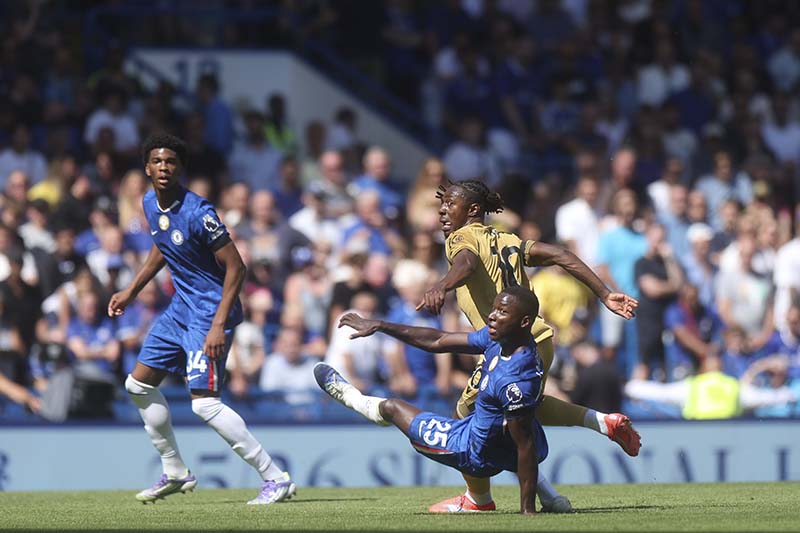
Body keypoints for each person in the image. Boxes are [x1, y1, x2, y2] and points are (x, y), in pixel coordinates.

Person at [417, 179, 641, 513]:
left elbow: (466, 263)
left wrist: (442, 285)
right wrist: (604, 293)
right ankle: (601, 424)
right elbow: (561, 255)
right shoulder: (509, 239)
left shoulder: (460, 238)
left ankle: (478, 499)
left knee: (465, 415)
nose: (443, 211)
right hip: (540, 339)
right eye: (442, 205)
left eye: (451, 204)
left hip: (507, 347)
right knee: (522, 409)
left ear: (473, 210)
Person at [107, 133, 295, 505]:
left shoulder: (198, 212)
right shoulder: (149, 202)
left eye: (171, 162)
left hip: (209, 311)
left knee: (204, 403)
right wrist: (132, 290)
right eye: (157, 161)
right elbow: (162, 247)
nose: (164, 167)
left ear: (181, 168)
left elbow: (237, 267)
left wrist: (217, 324)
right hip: (181, 308)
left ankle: (275, 477)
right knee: (138, 385)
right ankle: (175, 470)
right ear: (147, 168)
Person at [316, 287, 551, 515]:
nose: (492, 316)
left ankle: (352, 398)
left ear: (524, 322)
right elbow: (439, 340)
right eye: (494, 309)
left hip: (475, 452)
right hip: (512, 442)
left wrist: (527, 511)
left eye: (503, 312)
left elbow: (525, 446)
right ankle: (547, 496)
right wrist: (381, 325)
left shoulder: (516, 379)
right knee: (487, 417)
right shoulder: (502, 340)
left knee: (393, 407)